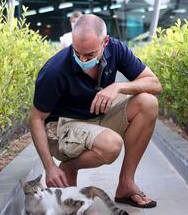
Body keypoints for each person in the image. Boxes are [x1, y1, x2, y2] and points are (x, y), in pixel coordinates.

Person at [29, 14, 162, 208]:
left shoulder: (116, 48)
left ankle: (126, 184)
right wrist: (49, 167)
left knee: (147, 102)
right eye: (77, 53)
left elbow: (154, 84)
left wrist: (117, 87)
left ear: (105, 42)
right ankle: (68, 167)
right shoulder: (54, 71)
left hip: (97, 116)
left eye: (89, 55)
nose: (82, 60)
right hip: (62, 127)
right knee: (111, 145)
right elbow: (35, 119)